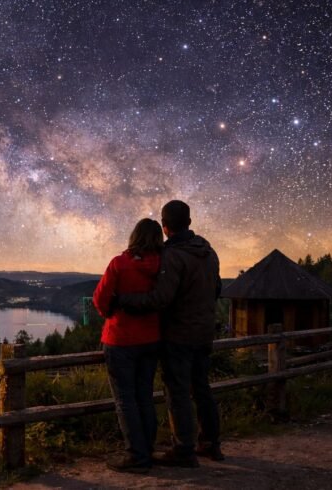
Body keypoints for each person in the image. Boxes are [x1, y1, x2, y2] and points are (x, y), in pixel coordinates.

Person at [116, 200, 223, 467]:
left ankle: (183, 450)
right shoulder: (208, 251)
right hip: (204, 332)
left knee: (177, 392)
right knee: (201, 388)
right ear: (189, 222)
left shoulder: (173, 255)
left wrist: (125, 301)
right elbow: (217, 289)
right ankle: (210, 444)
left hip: (179, 335)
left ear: (165, 227)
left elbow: (160, 299)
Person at [93, 218, 164, 474]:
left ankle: (137, 455)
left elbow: (100, 299)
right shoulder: (164, 266)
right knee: (144, 396)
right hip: (152, 339)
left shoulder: (119, 264)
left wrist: (111, 314)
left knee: (125, 400)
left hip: (120, 339)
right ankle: (148, 448)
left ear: (134, 237)